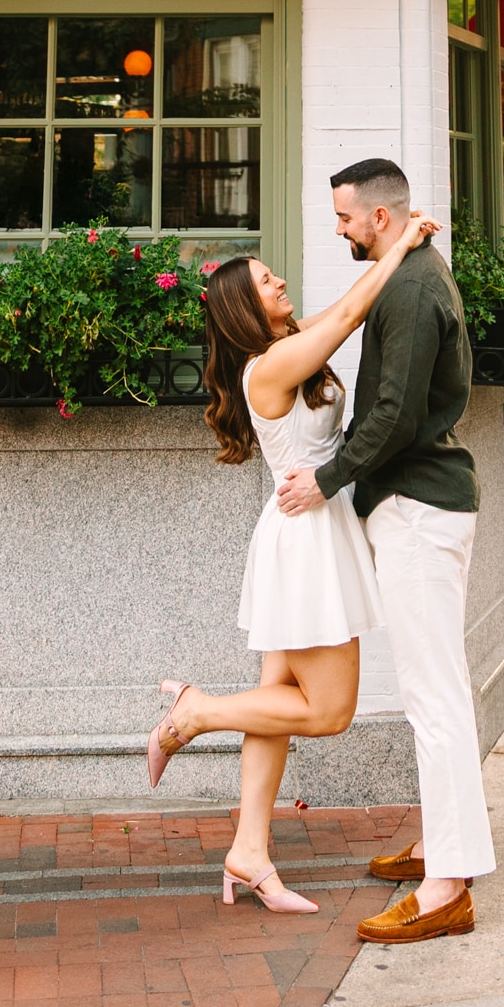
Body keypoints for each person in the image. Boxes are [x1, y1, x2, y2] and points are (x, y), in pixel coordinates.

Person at [147, 208, 435, 913]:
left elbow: (339, 323)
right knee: (329, 712)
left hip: (310, 530)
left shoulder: (291, 342)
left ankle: (249, 852)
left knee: (273, 710)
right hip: (304, 543)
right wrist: (399, 244)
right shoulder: (269, 365)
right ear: (247, 309)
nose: (282, 284)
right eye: (268, 282)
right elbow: (350, 313)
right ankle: (196, 711)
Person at [276, 157, 496, 945]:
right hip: (421, 507)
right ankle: (443, 846)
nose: (338, 228)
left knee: (433, 695)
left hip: (416, 508)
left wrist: (326, 479)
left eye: (344, 217)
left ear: (380, 215)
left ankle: (447, 888)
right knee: (435, 689)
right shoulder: (413, 270)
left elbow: (398, 411)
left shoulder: (409, 288)